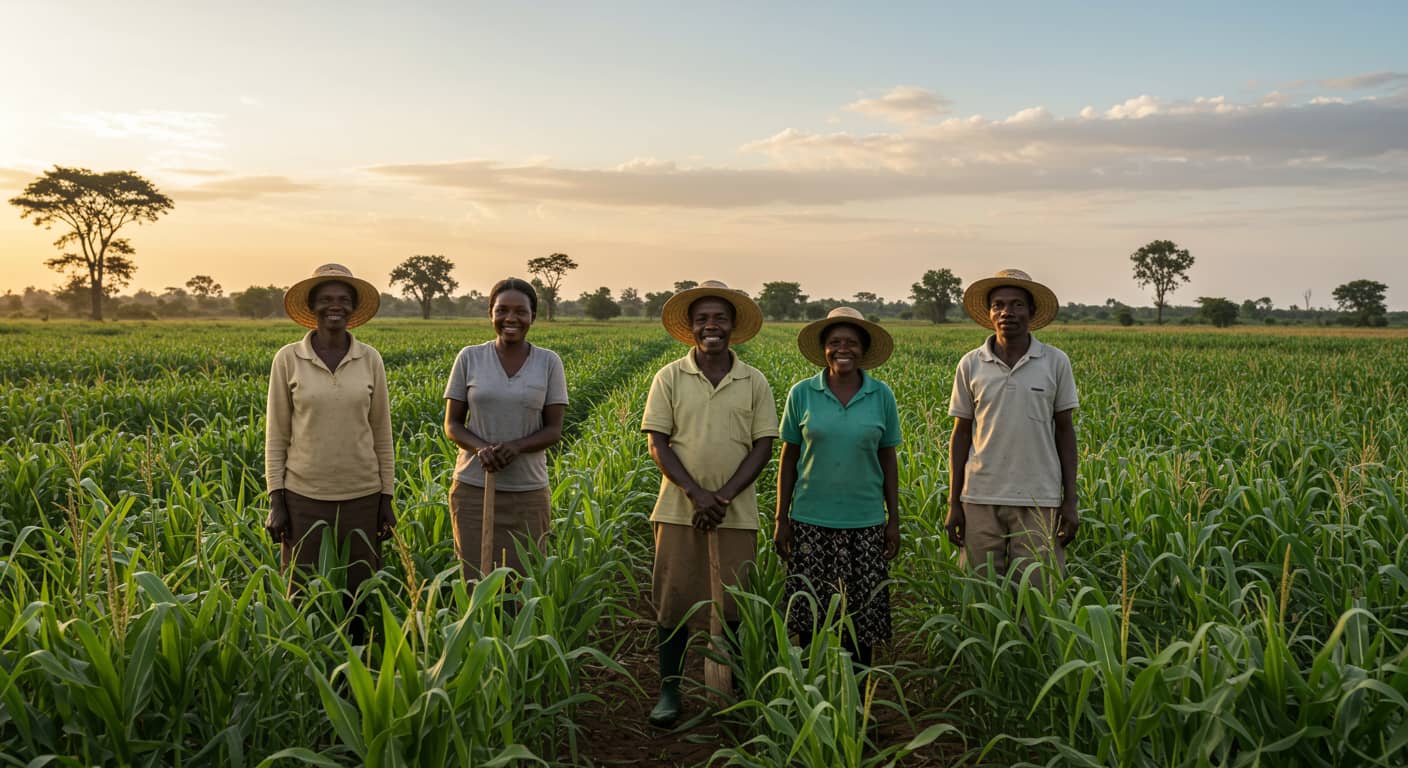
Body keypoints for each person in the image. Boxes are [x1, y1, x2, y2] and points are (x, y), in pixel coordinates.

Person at [641, 280, 778, 727]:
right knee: (674, 600)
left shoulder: (753, 381)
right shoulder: (669, 377)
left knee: (733, 604)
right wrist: (696, 494)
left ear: (733, 327)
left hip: (735, 513)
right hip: (678, 509)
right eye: (702, 319)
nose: (711, 326)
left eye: (719, 318)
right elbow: (658, 443)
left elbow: (762, 446)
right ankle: (670, 691)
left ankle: (729, 684)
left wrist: (722, 497)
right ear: (691, 328)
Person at [264, 263, 396, 644]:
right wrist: (277, 499)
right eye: (325, 300)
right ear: (313, 307)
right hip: (304, 497)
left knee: (358, 594)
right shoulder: (288, 359)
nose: (334, 307)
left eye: (342, 300)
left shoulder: (370, 359)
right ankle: (308, 673)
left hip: (362, 496)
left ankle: (356, 672)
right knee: (303, 595)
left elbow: (381, 434)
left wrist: (386, 496)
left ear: (353, 308)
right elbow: (277, 436)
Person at [774, 307, 901, 668]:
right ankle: (814, 691)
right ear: (824, 349)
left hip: (865, 523)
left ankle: (857, 702)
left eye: (850, 343)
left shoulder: (881, 396)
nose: (842, 349)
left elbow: (888, 459)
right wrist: (781, 517)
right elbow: (788, 458)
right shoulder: (802, 393)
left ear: (863, 350)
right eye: (834, 343)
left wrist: (893, 519)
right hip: (811, 521)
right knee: (810, 616)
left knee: (861, 621)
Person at [945, 269, 1079, 588]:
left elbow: (1065, 431)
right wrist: (954, 504)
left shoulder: (1055, 362)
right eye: (999, 305)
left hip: (1039, 496)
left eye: (1018, 304)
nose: (1008, 312)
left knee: (1037, 593)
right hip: (979, 494)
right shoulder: (971, 364)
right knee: (979, 592)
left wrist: (1070, 500)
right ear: (990, 313)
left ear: (1031, 313)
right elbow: (961, 434)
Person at [443, 277, 567, 578]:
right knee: (474, 578)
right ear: (491, 314)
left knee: (524, 583)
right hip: (473, 488)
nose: (511, 318)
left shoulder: (549, 362)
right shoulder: (470, 357)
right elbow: (453, 424)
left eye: (520, 312)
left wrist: (516, 447)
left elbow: (553, 429)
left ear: (532, 317)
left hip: (528, 491)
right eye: (502, 311)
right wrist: (480, 449)